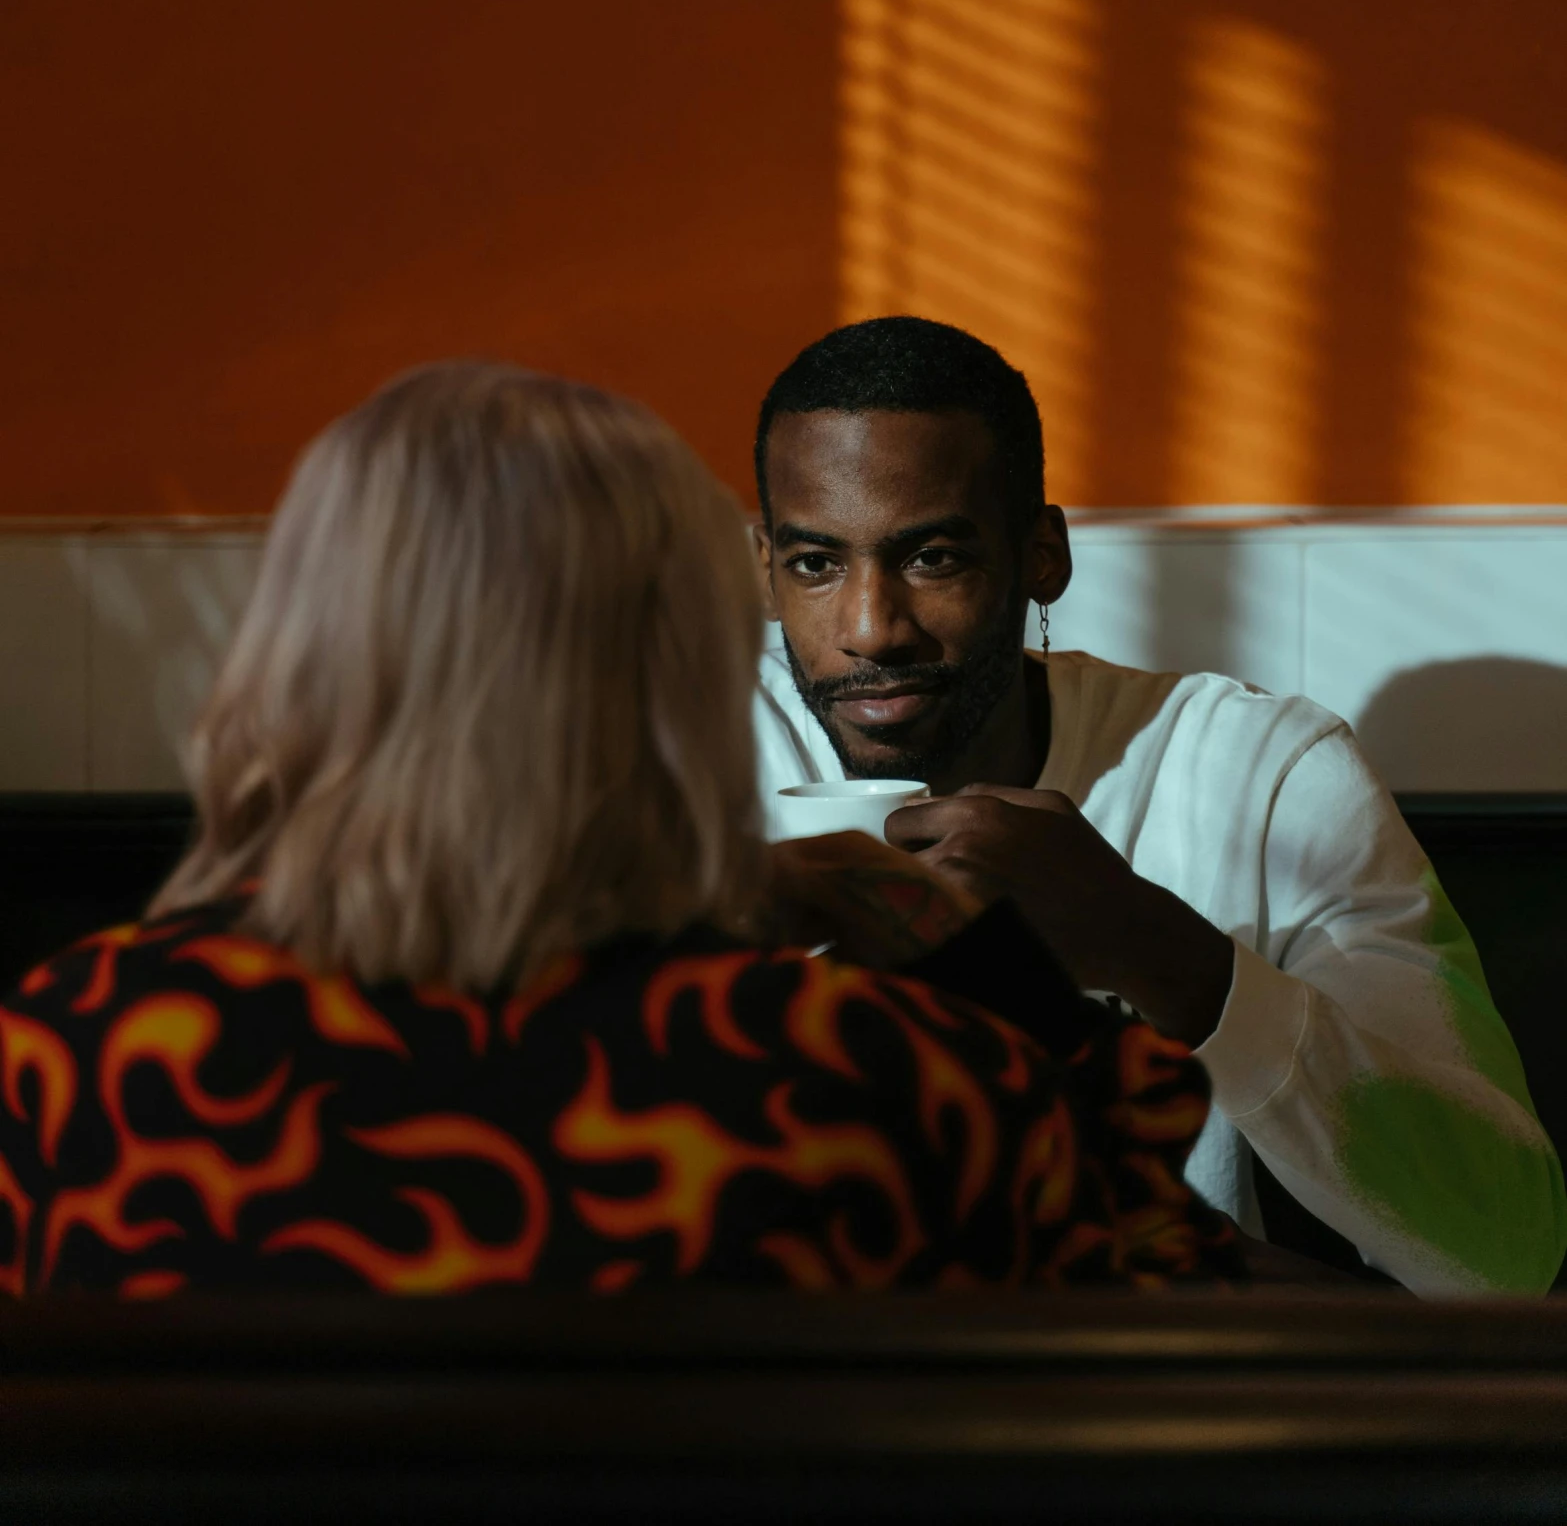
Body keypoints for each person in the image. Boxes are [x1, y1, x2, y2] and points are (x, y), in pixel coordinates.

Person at [0, 361, 1237, 1295]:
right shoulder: (865, 1074)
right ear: (685, 682)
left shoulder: (83, 1045)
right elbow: (1163, 1296)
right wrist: (975, 960)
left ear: (291, 657)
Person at [751, 316, 1567, 1299]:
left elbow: (1506, 1254)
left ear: (1041, 553)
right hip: (785, 1413)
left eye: (932, 558)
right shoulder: (673, 755)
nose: (869, 626)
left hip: (1145, 1410)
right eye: (814, 563)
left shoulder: (1260, 772)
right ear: (765, 562)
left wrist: (1160, 950)